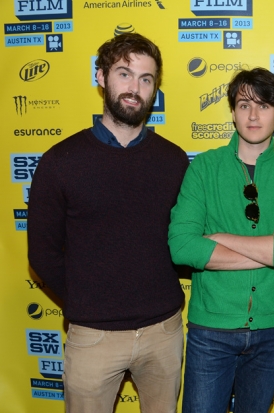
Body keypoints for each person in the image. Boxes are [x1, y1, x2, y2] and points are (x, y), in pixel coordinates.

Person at [27, 33, 188, 413]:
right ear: (101, 78)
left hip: (163, 331)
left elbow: (184, 241)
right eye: (124, 74)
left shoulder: (174, 160)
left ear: (155, 90)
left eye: (146, 79)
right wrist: (89, 300)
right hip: (93, 337)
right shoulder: (60, 161)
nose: (135, 88)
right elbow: (43, 253)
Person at [168, 67, 274, 413]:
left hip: (271, 329)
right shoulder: (203, 168)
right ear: (232, 111)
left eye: (263, 105)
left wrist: (218, 240)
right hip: (211, 331)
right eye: (244, 104)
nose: (253, 114)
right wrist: (270, 251)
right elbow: (183, 246)